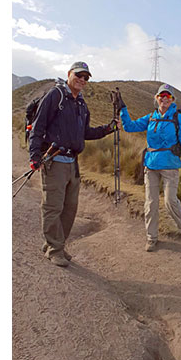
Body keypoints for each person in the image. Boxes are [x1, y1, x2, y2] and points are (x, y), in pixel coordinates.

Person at [28, 62, 116, 268]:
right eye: (79, 75)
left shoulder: (81, 105)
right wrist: (34, 156)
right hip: (54, 161)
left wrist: (108, 129)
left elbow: (86, 133)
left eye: (86, 78)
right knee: (53, 207)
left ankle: (56, 243)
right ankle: (54, 249)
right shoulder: (55, 96)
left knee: (70, 209)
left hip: (72, 164)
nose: (82, 80)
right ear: (69, 74)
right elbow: (38, 127)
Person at [115, 84, 181, 251]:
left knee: (170, 201)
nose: (164, 98)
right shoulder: (151, 117)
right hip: (150, 165)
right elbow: (129, 126)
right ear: (156, 98)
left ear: (172, 100)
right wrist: (123, 108)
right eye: (161, 96)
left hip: (170, 166)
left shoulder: (177, 118)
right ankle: (151, 238)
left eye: (168, 96)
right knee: (150, 203)